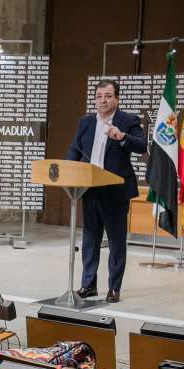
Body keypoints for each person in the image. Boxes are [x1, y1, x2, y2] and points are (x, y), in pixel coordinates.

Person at [65, 79, 146, 303]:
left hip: (115, 190)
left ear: (117, 99)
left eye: (108, 96)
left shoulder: (128, 120)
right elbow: (75, 149)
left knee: (116, 241)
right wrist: (66, 169)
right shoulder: (86, 121)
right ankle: (88, 285)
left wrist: (122, 138)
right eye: (99, 96)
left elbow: (142, 145)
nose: (103, 100)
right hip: (90, 189)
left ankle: (114, 288)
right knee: (90, 239)